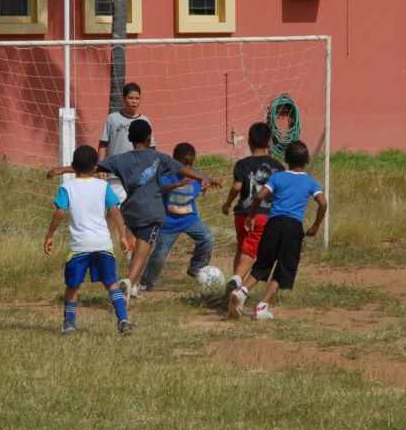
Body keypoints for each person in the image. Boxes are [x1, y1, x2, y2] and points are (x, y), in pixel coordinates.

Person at [49, 119, 220, 301]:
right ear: (149, 138)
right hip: (151, 213)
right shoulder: (159, 157)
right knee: (142, 252)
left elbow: (91, 167)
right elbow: (183, 169)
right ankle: (129, 283)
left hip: (130, 211)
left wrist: (63, 170)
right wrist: (204, 178)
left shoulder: (120, 159)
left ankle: (132, 285)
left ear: (130, 138)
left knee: (137, 247)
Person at [227, 140, 327, 321]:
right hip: (293, 227)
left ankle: (242, 290)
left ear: (286, 159)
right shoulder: (311, 182)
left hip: (272, 224)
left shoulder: (277, 177)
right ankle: (262, 305)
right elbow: (323, 203)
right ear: (307, 159)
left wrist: (251, 216)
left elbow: (259, 196)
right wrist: (316, 226)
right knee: (284, 268)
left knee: (263, 263)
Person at [44, 145, 133, 336]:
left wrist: (49, 235)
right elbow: (115, 210)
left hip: (79, 247)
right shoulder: (103, 186)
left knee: (72, 286)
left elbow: (60, 212)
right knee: (111, 283)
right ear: (95, 167)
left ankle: (69, 325)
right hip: (103, 245)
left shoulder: (67, 187)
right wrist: (123, 235)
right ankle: (123, 319)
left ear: (73, 165)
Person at [139, 142, 215, 291]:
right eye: (183, 163)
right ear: (174, 160)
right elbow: (162, 188)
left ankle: (196, 268)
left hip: (190, 219)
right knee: (160, 254)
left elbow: (204, 180)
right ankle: (146, 282)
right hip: (168, 223)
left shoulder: (195, 175)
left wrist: (208, 183)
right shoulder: (167, 174)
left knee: (208, 238)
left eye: (190, 163)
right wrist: (178, 184)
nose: (187, 167)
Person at [220, 122, 285, 295]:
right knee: (250, 252)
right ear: (269, 143)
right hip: (263, 216)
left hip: (242, 214)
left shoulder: (242, 164)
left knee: (242, 248)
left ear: (249, 141)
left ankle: (235, 283)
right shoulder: (278, 167)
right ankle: (237, 280)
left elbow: (236, 187)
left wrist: (227, 204)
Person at [98, 82, 154, 203]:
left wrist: (150, 170)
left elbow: (151, 149)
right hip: (115, 175)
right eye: (130, 98)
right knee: (115, 209)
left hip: (138, 175)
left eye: (137, 98)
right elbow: (103, 144)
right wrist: (101, 167)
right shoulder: (112, 118)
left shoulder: (144, 120)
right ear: (123, 99)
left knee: (135, 209)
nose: (134, 101)